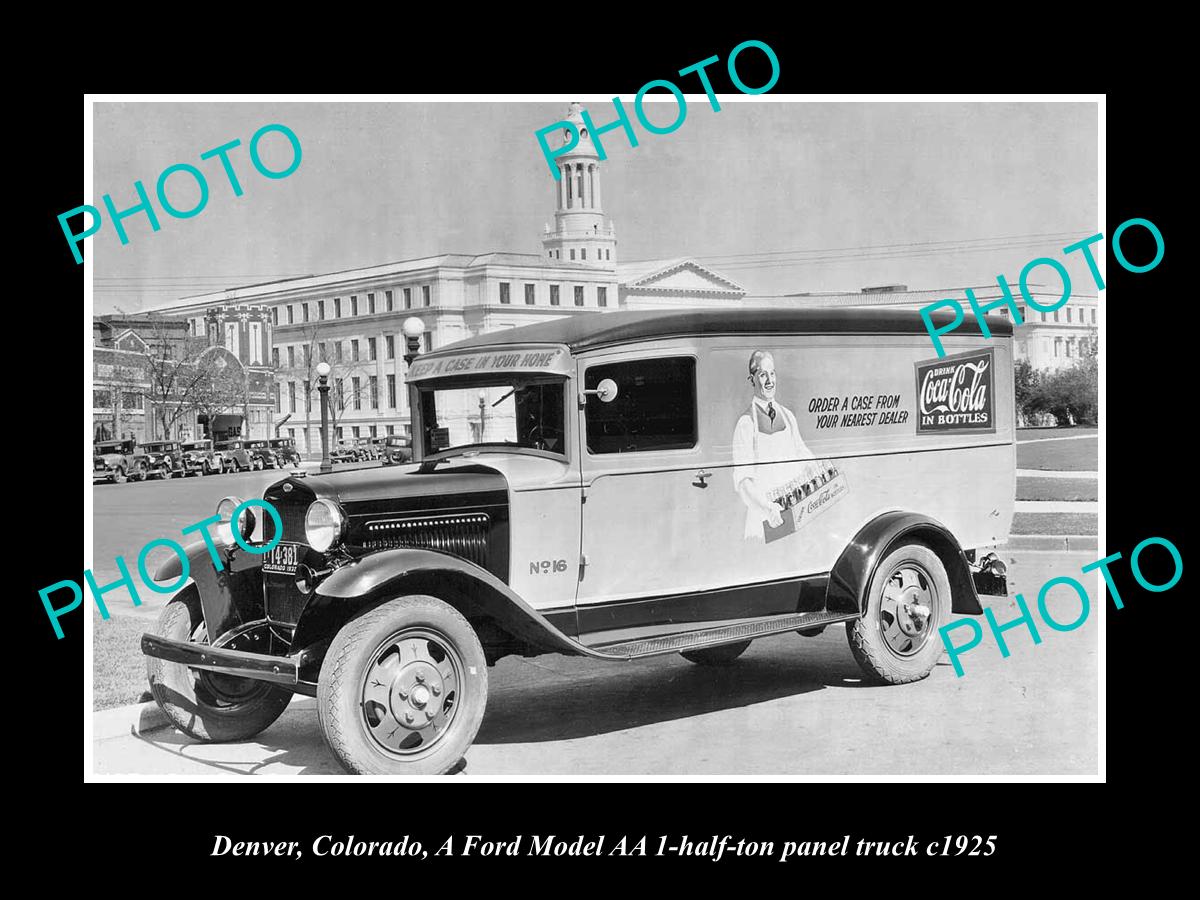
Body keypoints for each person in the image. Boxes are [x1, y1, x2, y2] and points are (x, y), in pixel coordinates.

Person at [731, 349, 819, 542]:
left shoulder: (788, 416)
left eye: (772, 373)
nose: (770, 380)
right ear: (752, 380)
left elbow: (803, 454)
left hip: (795, 517)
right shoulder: (746, 424)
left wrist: (816, 469)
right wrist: (767, 508)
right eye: (763, 375)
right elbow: (744, 483)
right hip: (765, 524)